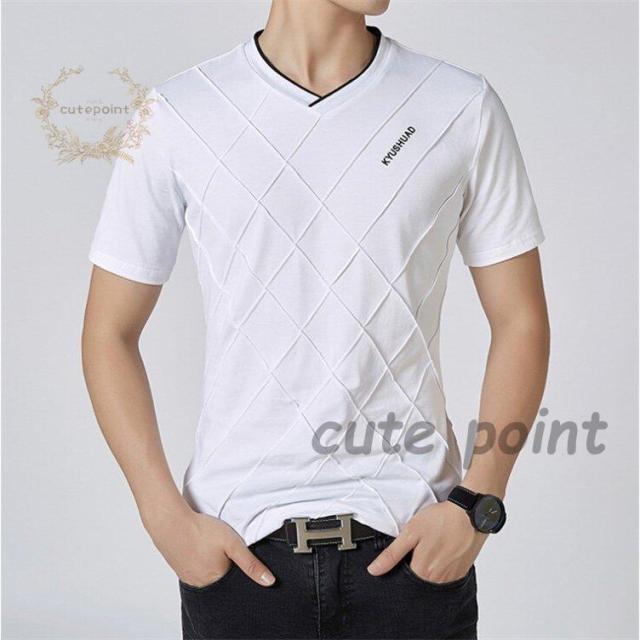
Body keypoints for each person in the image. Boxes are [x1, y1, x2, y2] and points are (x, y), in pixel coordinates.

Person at [82, 0, 550, 638]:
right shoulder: (178, 113)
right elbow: (108, 333)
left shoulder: (459, 106)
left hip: (413, 556)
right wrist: (163, 516)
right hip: (239, 560)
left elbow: (520, 320)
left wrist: (477, 504)